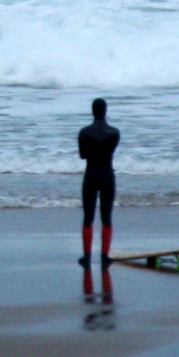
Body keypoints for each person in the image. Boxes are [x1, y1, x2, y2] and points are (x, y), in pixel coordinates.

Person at [77, 97, 119, 266]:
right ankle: (104, 256)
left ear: (92, 111)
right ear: (105, 111)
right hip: (108, 175)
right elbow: (110, 152)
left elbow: (82, 155)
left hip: (91, 176)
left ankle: (87, 256)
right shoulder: (115, 133)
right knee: (106, 217)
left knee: (88, 217)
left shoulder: (84, 132)